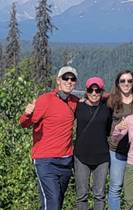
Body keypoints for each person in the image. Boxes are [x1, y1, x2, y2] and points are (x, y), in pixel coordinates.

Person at [19, 66, 79, 210]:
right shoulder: (45, 100)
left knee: (55, 201)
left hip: (66, 161)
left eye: (72, 79)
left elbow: (95, 100)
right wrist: (27, 113)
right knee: (52, 202)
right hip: (45, 161)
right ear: (58, 81)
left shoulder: (75, 102)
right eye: (66, 78)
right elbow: (24, 124)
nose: (69, 81)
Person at [74, 77, 112, 210]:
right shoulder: (78, 106)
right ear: (86, 91)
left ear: (102, 92)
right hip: (81, 156)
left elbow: (108, 130)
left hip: (102, 157)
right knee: (81, 195)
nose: (94, 93)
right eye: (91, 90)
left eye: (98, 90)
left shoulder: (107, 109)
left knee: (99, 195)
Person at [107, 70, 133, 210]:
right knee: (116, 187)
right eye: (123, 81)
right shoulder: (110, 101)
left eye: (129, 81)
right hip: (115, 150)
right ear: (117, 83)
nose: (126, 84)